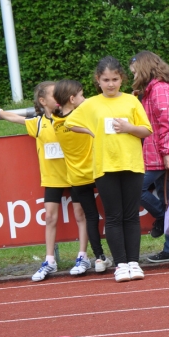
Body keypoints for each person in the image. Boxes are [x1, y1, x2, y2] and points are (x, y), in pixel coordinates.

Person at [65, 56, 152, 282]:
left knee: (131, 216)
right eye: (106, 80)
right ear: (98, 80)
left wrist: (128, 127)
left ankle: (134, 262)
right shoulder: (91, 104)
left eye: (114, 79)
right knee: (114, 216)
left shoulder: (132, 102)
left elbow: (146, 130)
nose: (111, 84)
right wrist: (91, 131)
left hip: (132, 164)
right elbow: (68, 123)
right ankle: (121, 264)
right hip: (104, 166)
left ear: (121, 78)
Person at [0, 82, 89, 281]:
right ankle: (50, 260)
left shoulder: (72, 117)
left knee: (81, 214)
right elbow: (14, 118)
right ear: (43, 101)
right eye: (54, 95)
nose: (59, 96)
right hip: (53, 178)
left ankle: (83, 256)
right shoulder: (38, 123)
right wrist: (1, 112)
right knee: (49, 217)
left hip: (75, 175)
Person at [129, 51, 169, 262]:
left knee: (135, 189)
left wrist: (167, 152)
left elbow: (167, 123)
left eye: (134, 71)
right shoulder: (157, 89)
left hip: (159, 154)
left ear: (144, 68)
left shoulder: (159, 90)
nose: (133, 75)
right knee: (168, 198)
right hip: (160, 152)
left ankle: (162, 219)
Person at [52, 79, 112, 273]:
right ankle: (121, 256)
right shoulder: (81, 117)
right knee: (111, 215)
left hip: (76, 178)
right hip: (97, 172)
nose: (84, 98)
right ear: (72, 98)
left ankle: (100, 259)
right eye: (81, 95)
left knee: (91, 218)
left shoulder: (56, 122)